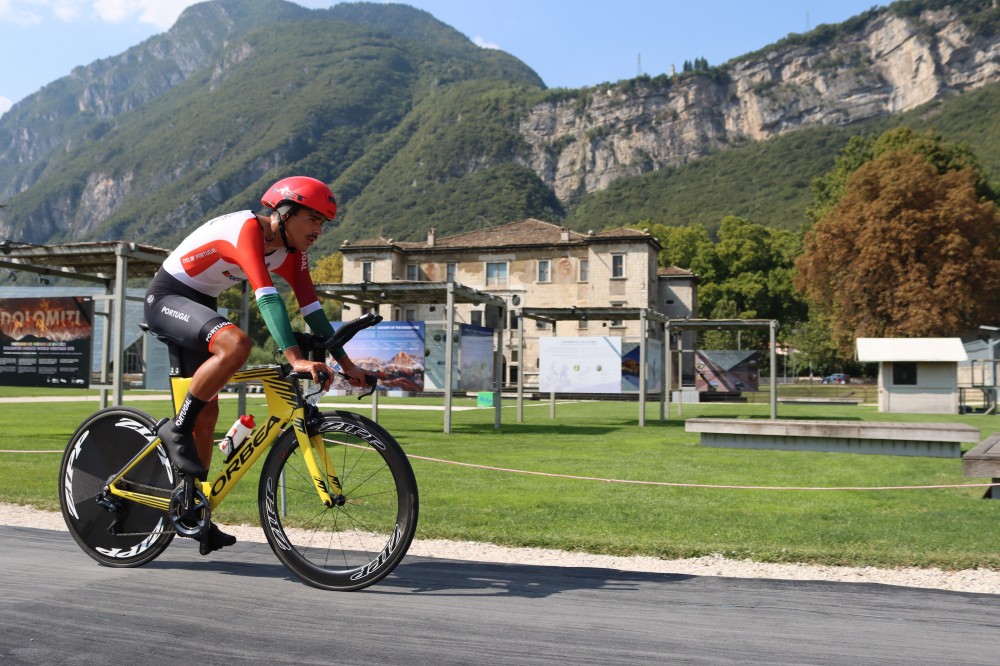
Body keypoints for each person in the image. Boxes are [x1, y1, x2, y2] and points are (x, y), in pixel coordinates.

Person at [144, 176, 370, 555]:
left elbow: (312, 309)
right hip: (167, 298)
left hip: (201, 305)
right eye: (312, 219)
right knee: (238, 343)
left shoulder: (293, 253)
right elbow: (267, 296)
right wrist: (294, 358)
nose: (318, 230)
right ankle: (176, 430)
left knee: (209, 413)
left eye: (322, 223)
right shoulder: (248, 230)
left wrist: (348, 363)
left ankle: (192, 513)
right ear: (283, 213)